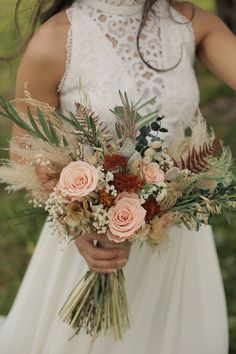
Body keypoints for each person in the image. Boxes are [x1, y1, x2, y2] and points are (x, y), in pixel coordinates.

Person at [0, 0, 235, 353]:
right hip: (94, 244)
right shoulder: (55, 40)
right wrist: (78, 222)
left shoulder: (188, 23)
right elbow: (26, 153)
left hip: (177, 239)